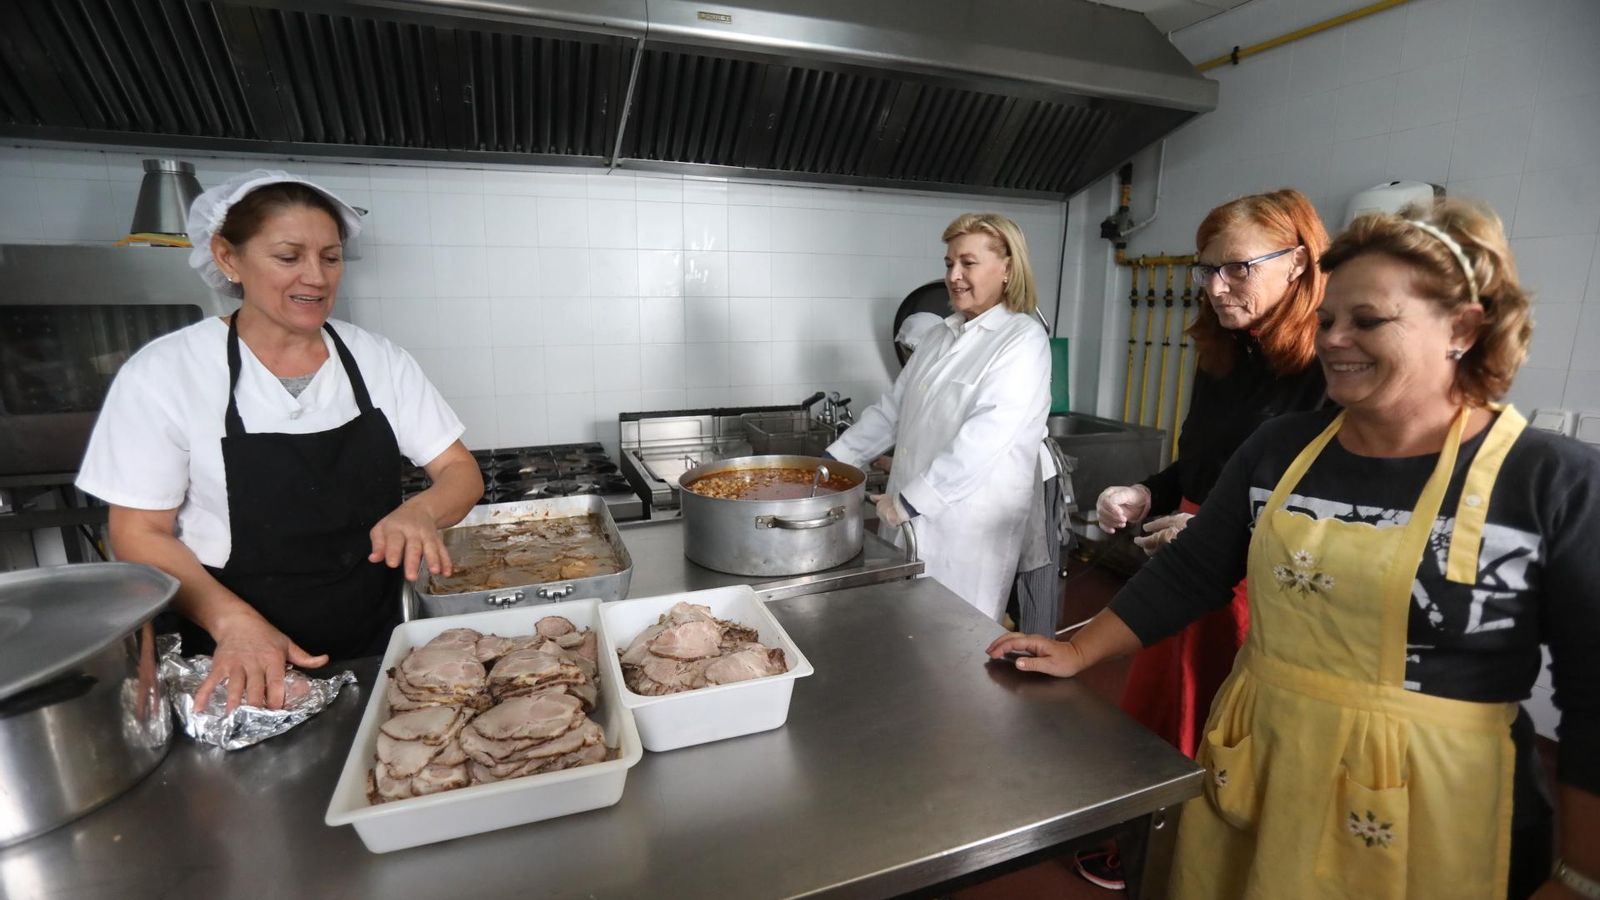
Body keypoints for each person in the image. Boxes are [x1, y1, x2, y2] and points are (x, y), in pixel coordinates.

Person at [990, 198, 1600, 900]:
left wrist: (1584, 874)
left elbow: (1596, 696)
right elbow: (1193, 571)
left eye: (1367, 320)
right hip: (1264, 761)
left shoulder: (1551, 481)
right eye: (1329, 319)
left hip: (1435, 802)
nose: (1335, 340)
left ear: (1462, 328)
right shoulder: (1283, 449)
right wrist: (1078, 649)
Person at [77, 170, 484, 713]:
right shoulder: (165, 373)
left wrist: (422, 512)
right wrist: (234, 623)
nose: (315, 277)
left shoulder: (377, 360)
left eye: (330, 257)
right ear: (227, 258)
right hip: (235, 653)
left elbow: (460, 472)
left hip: (375, 640)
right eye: (288, 257)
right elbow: (138, 533)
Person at [1102, 189, 1331, 755]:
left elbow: (1326, 503)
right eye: (1207, 270)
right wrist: (1147, 494)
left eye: (1237, 268)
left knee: (1228, 732)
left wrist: (1216, 536)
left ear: (1298, 261)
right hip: (1191, 564)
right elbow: (1207, 465)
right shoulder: (1225, 350)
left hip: (1263, 577)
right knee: (1162, 720)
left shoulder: (1330, 365)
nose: (1216, 287)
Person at [826, 212, 1050, 621]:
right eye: (949, 264)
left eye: (968, 263)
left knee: (956, 647)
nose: (954, 276)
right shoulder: (938, 336)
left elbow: (983, 441)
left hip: (966, 534)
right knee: (903, 635)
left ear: (1007, 268)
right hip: (908, 519)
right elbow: (891, 410)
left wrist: (909, 503)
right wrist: (832, 467)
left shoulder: (1023, 341)